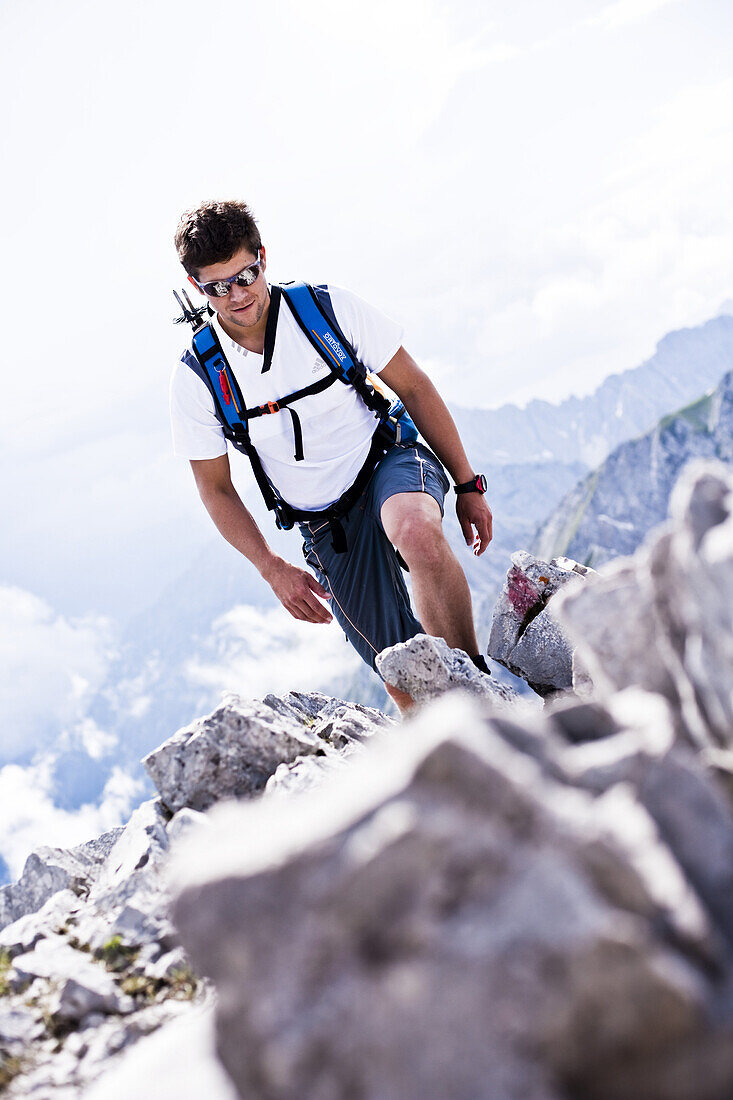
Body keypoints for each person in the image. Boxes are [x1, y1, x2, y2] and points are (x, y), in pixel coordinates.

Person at [170, 200, 493, 712]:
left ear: (263, 258)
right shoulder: (197, 377)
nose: (237, 295)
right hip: (324, 525)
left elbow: (414, 386)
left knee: (415, 531)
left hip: (389, 461)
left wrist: (467, 485)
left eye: (245, 274)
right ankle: (452, 743)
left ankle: (480, 693)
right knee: (404, 681)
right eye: (217, 286)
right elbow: (215, 488)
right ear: (197, 287)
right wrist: (271, 566)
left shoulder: (327, 310)